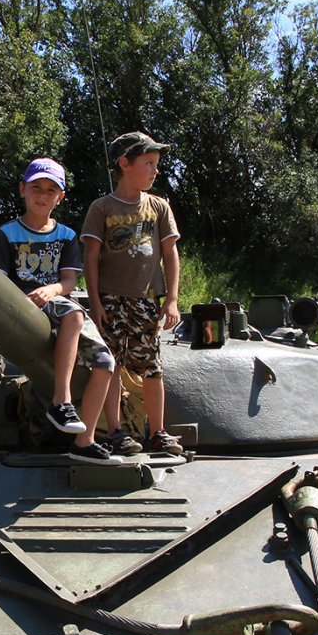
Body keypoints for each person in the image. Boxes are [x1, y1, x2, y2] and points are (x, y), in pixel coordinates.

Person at [0, 157, 123, 464]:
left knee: (105, 362)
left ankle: (84, 441)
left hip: (55, 301)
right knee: (74, 315)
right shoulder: (7, 234)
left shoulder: (66, 236)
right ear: (22, 190)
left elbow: (68, 281)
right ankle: (61, 401)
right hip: (22, 305)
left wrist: (51, 290)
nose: (42, 194)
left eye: (51, 190)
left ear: (60, 197)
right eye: (36, 187)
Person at [80, 132, 184, 456]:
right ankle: (115, 431)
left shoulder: (159, 207)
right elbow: (90, 258)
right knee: (110, 364)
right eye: (148, 163)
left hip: (146, 299)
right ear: (125, 164)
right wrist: (95, 302)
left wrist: (172, 299)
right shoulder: (102, 208)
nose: (155, 170)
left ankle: (158, 432)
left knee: (151, 365)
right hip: (110, 298)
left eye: (156, 164)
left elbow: (170, 253)